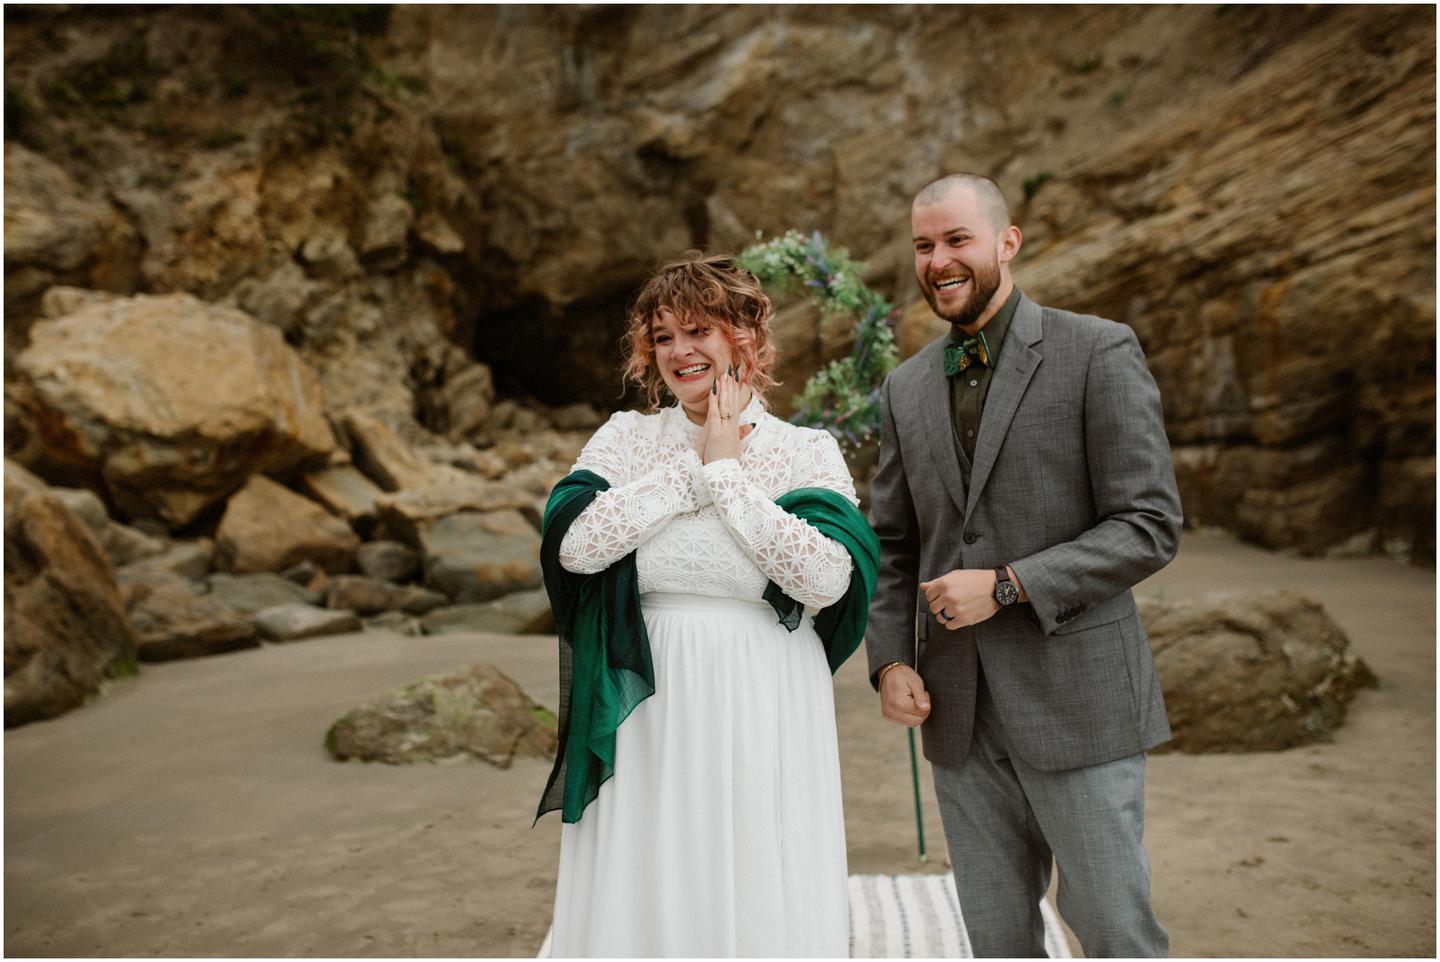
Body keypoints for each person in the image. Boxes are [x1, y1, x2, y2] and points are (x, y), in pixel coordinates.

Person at [866, 173, 1182, 958]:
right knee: (998, 940)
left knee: (1115, 930)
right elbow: (894, 544)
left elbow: (1149, 524)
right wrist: (890, 660)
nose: (938, 260)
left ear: (1007, 243)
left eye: (957, 240)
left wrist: (1009, 585)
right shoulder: (904, 389)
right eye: (924, 246)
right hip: (957, 714)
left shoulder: (1096, 350)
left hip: (1080, 702)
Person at [537, 251, 879, 957]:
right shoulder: (628, 437)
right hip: (647, 692)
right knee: (653, 850)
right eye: (663, 337)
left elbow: (827, 578)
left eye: (698, 331)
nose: (679, 352)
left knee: (752, 849)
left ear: (744, 338)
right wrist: (693, 470)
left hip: (762, 689)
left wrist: (729, 475)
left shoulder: (803, 451)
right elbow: (575, 544)